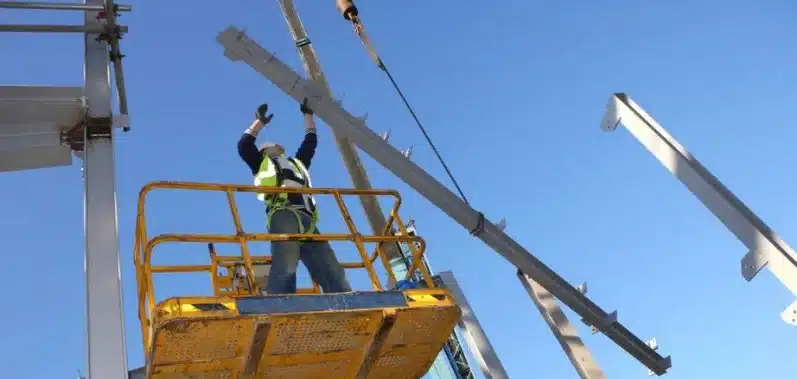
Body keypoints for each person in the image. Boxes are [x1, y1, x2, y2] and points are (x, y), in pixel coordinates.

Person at [237, 99, 352, 295]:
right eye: (272, 145)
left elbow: (310, 142)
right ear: (264, 151)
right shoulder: (261, 163)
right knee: (286, 264)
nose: (278, 146)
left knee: (330, 268)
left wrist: (308, 115)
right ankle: (280, 304)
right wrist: (259, 123)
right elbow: (244, 145)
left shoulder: (297, 163)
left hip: (307, 220)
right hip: (283, 214)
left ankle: (346, 301)